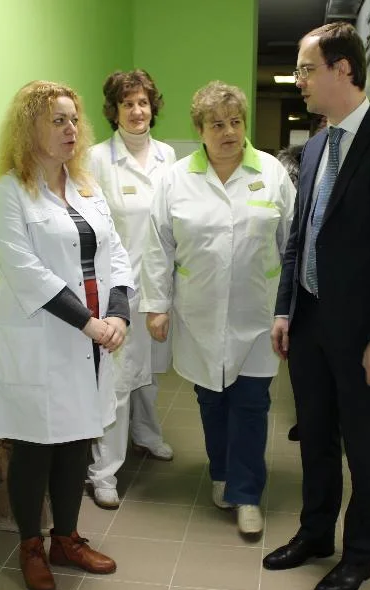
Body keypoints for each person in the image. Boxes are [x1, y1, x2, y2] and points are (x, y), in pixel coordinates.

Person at [261, 23, 370, 590]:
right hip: (309, 321)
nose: (299, 81)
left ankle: (360, 555)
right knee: (314, 437)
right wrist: (285, 310)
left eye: (307, 69)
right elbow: (299, 239)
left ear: (343, 69)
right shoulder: (315, 147)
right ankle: (315, 534)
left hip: (363, 336)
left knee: (362, 447)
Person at [0, 80, 134, 590]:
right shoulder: (10, 193)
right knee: (35, 446)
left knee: (76, 441)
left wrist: (118, 315)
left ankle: (66, 539)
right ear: (30, 130)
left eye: (74, 120)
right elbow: (26, 272)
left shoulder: (87, 188)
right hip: (44, 339)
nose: (71, 129)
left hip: (90, 337)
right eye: (58, 120)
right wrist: (90, 323)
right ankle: (31, 544)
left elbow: (116, 254)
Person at [141, 81, 295, 536]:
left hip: (257, 312)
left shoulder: (271, 173)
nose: (228, 132)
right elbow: (158, 246)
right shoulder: (174, 179)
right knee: (211, 398)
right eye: (216, 124)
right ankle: (222, 473)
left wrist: (290, 310)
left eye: (235, 122)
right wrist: (156, 306)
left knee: (251, 402)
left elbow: (291, 244)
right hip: (199, 312)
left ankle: (247, 494)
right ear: (200, 130)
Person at [87, 70, 177, 510]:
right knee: (118, 381)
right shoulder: (96, 160)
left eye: (143, 102)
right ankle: (103, 472)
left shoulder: (168, 156)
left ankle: (146, 433)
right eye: (128, 104)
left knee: (151, 371)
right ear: (114, 111)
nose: (137, 111)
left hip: (158, 285)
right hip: (117, 290)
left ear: (152, 107)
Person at [275, 113, 327, 443]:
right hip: (304, 290)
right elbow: (292, 237)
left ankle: (331, 426)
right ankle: (307, 419)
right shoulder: (299, 164)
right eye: (321, 127)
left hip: (343, 297)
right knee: (305, 369)